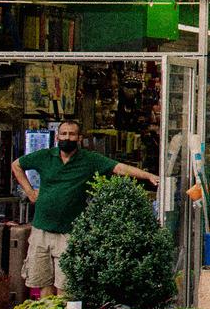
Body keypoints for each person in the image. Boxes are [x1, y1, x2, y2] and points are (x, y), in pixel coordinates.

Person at [11, 118, 160, 295]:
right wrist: (29, 191)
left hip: (69, 231)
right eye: (64, 134)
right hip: (41, 229)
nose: (67, 137)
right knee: (43, 282)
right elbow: (17, 165)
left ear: (79, 138)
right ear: (57, 136)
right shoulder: (45, 156)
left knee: (65, 284)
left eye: (72, 134)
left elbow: (118, 168)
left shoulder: (89, 160)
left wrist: (148, 176)